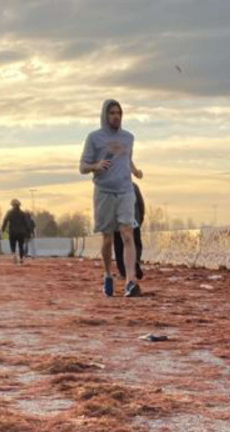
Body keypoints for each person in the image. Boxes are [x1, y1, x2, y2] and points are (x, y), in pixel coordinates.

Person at [80, 99, 143, 297]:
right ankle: (108, 274)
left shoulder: (128, 138)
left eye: (119, 113)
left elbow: (126, 158)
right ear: (105, 116)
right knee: (107, 238)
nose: (116, 116)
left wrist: (135, 170)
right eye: (112, 113)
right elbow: (82, 167)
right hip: (104, 191)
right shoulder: (94, 138)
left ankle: (130, 281)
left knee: (127, 233)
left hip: (125, 190)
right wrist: (95, 166)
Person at [112, 182, 145, 281]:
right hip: (134, 221)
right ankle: (135, 262)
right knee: (136, 244)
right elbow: (141, 205)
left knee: (119, 247)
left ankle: (123, 271)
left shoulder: (111, 186)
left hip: (118, 223)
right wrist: (140, 220)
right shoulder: (133, 186)